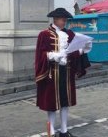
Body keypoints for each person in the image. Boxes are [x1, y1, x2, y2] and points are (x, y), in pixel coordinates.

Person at [35, 8, 92, 137]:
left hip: (67, 72)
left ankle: (64, 130)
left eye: (66, 20)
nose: (64, 22)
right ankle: (52, 132)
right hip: (52, 73)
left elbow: (73, 52)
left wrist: (84, 49)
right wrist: (53, 55)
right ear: (55, 19)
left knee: (65, 102)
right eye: (63, 20)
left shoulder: (70, 34)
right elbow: (40, 54)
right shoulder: (44, 34)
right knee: (52, 103)